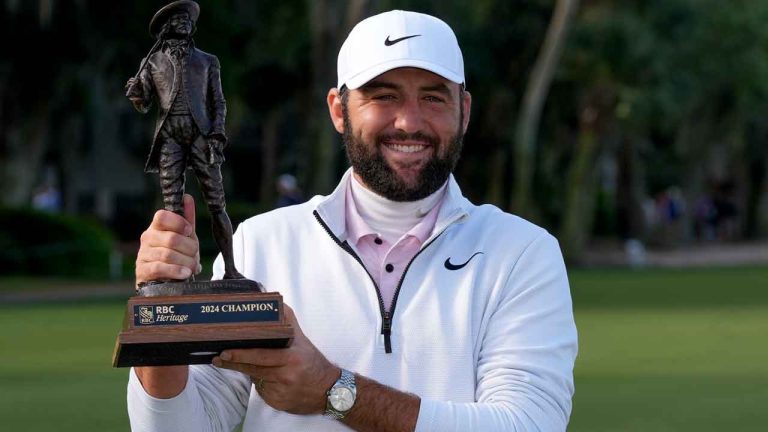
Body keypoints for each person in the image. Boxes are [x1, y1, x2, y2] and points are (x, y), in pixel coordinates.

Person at [128, 9, 577, 432]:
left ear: (464, 110)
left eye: (433, 98)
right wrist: (159, 314)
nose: (409, 121)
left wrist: (334, 390)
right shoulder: (263, 243)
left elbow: (528, 424)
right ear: (339, 111)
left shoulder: (520, 253)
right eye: (384, 96)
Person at [125, 0, 242, 279]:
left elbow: (219, 103)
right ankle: (180, 275)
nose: (185, 23)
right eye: (178, 19)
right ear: (167, 28)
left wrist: (217, 136)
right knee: (172, 207)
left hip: (201, 134)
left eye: (188, 20)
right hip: (170, 136)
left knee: (216, 203)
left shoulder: (207, 61)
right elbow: (143, 104)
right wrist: (136, 93)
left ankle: (231, 269)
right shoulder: (151, 62)